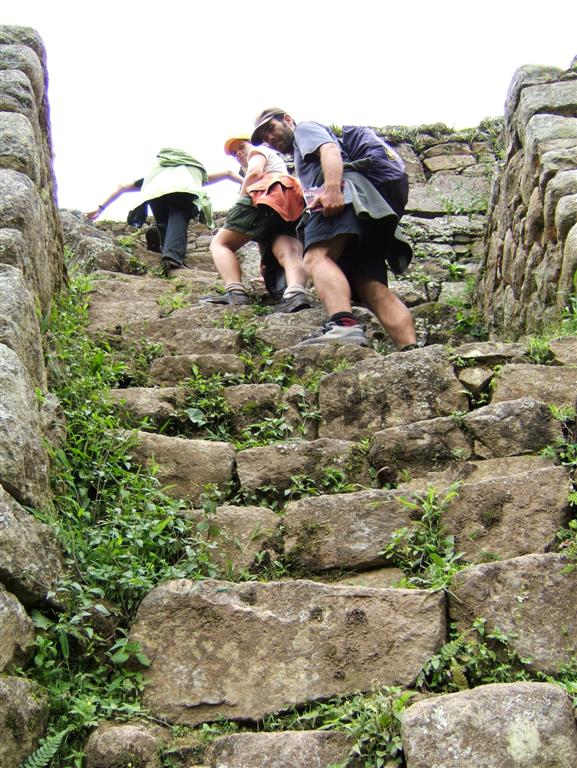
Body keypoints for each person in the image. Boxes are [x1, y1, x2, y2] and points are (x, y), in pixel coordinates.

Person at [250, 109, 418, 349]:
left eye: (270, 130)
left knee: (316, 258)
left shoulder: (304, 130)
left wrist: (331, 189)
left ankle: (344, 325)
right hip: (367, 209)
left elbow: (329, 149)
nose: (269, 139)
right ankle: (410, 349)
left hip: (342, 198)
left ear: (287, 120)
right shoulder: (299, 150)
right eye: (264, 138)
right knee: (369, 285)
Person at [87, 147, 242, 276]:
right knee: (179, 218)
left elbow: (122, 187)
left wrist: (100, 208)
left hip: (156, 195)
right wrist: (247, 184)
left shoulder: (156, 175)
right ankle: (172, 258)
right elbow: (228, 173)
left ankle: (160, 242)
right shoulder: (190, 173)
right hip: (185, 192)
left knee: (164, 221)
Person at [202, 134, 310, 312]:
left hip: (266, 193)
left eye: (241, 147)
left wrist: (242, 199)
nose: (239, 154)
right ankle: (295, 295)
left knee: (220, 244)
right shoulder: (278, 165)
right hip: (292, 199)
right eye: (235, 154)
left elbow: (254, 173)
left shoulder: (258, 151)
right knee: (288, 250)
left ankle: (235, 291)